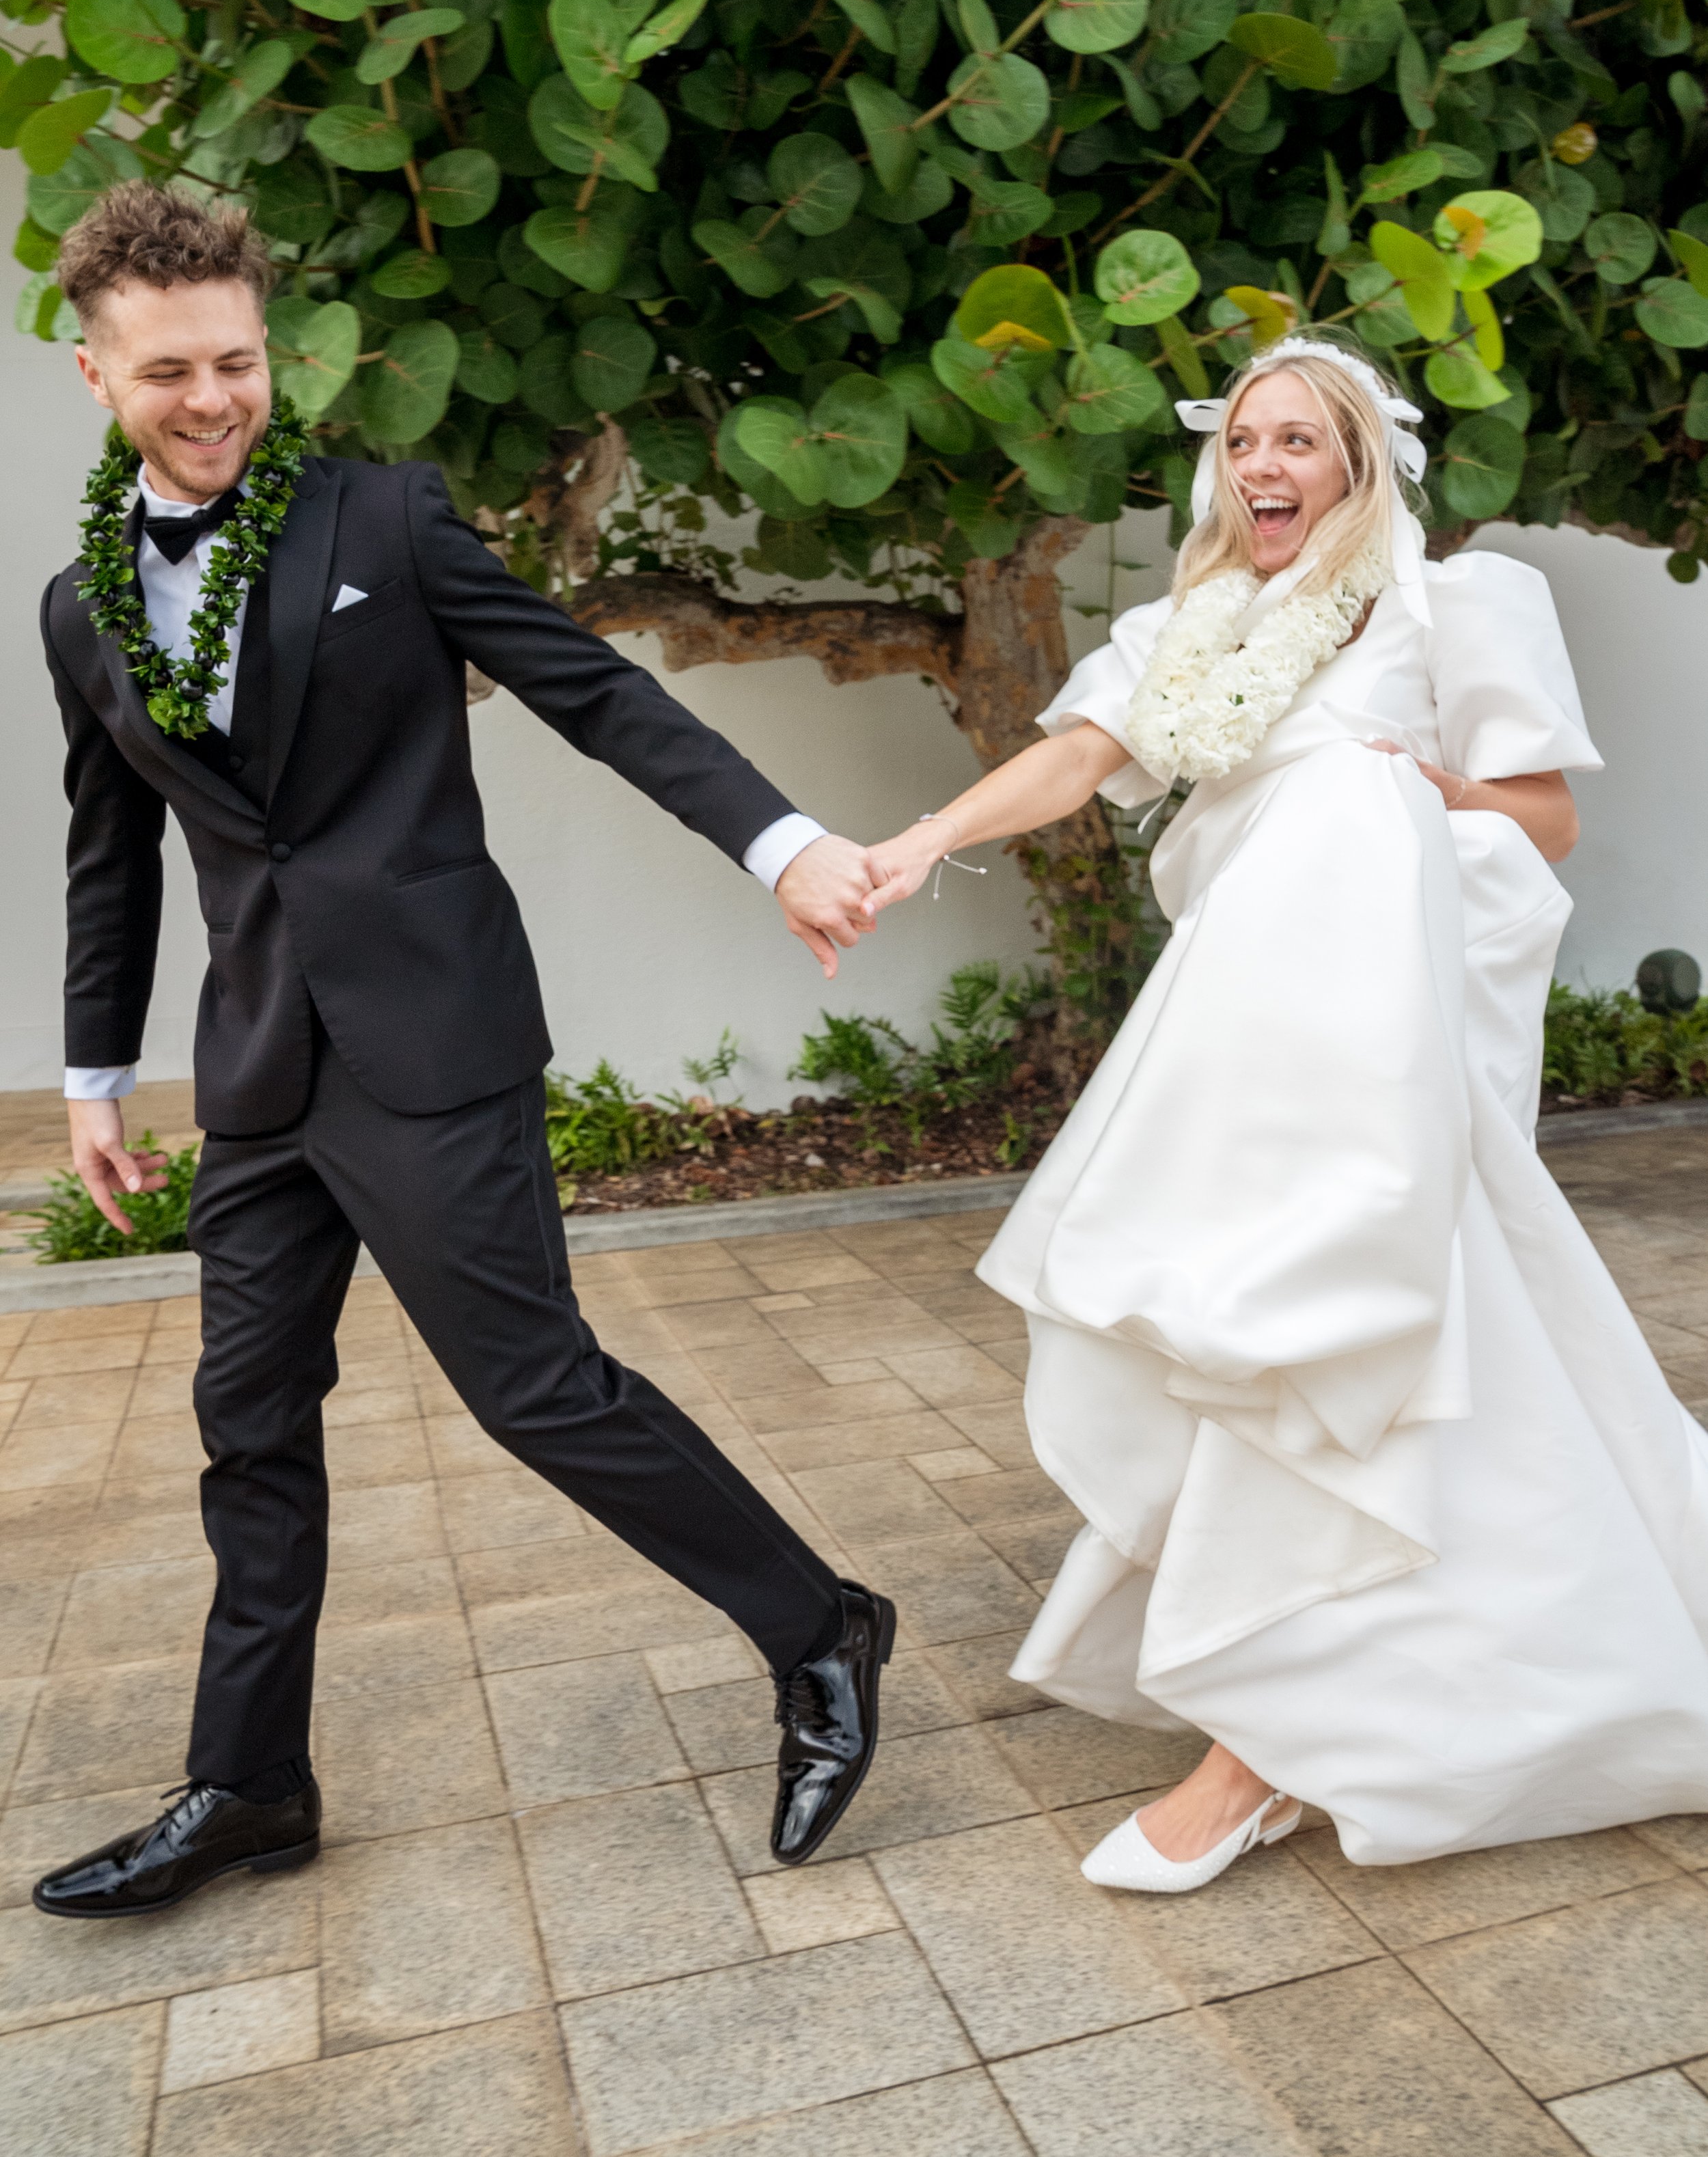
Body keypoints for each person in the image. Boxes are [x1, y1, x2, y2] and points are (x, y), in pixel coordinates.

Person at [31, 182, 895, 1920]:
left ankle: (820, 1630)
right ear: (94, 374)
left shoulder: (385, 521)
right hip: (260, 1060)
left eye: (241, 364)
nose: (213, 400)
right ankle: (249, 1782)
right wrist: (92, 1076)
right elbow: (108, 847)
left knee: (536, 1393)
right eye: (171, 374)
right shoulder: (82, 602)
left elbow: (595, 694)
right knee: (247, 1428)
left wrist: (778, 840)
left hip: (433, 1036)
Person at [864, 331, 1708, 1891]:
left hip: (1380, 1031)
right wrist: (918, 845)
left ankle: (1261, 1752)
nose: (1264, 467)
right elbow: (1080, 756)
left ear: (1361, 460)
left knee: (1337, 1331)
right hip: (1242, 1037)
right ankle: (1355, 1683)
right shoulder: (1194, 627)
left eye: (1299, 443)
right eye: (1245, 441)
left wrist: (1393, 787)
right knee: (1307, 1339)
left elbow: (1543, 821)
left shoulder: (1460, 602)